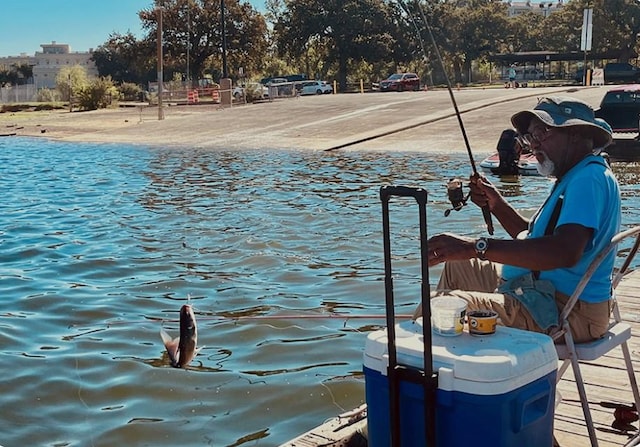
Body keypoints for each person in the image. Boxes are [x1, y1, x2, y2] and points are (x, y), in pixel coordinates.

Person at [421, 96, 620, 343]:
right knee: (457, 264)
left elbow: (564, 251)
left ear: (576, 134)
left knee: (434, 309)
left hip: (566, 310)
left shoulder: (588, 179)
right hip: (540, 291)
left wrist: (475, 247)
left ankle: (440, 375)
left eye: (541, 134)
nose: (532, 145)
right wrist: (496, 204)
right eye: (529, 138)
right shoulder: (576, 175)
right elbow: (536, 239)